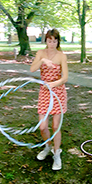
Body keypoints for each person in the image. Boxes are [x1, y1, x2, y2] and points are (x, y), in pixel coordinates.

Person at [29, 29, 69, 170]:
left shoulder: (61, 56)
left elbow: (65, 77)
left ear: (58, 41)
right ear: (46, 40)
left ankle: (56, 154)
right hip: (44, 92)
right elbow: (32, 69)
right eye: (49, 40)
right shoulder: (40, 53)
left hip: (58, 92)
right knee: (43, 126)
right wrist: (43, 61)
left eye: (55, 41)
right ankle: (48, 146)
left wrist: (53, 84)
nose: (52, 43)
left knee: (55, 126)